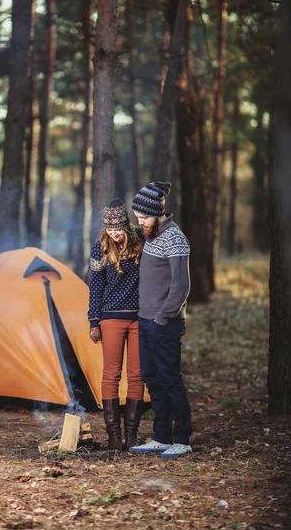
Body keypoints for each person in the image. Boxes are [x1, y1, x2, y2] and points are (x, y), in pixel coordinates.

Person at [129, 182, 193, 459]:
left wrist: (162, 317)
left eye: (143, 218)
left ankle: (182, 439)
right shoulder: (151, 234)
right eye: (137, 218)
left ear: (157, 214)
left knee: (170, 381)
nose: (139, 223)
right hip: (145, 321)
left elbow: (181, 286)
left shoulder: (175, 238)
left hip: (163, 323)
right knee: (152, 379)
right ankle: (161, 437)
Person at [88, 198, 144, 451]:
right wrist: (94, 321)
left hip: (140, 318)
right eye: (110, 230)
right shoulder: (99, 249)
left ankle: (131, 436)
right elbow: (96, 287)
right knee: (111, 373)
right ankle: (113, 438)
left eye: (118, 230)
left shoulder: (141, 243)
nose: (114, 234)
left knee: (137, 374)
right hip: (110, 317)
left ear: (126, 225)